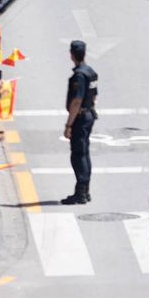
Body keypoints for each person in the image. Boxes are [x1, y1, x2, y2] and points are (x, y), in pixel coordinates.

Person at [62, 39, 98, 205]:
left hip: (81, 117)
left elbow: (77, 100)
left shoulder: (80, 75)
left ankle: (81, 192)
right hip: (89, 114)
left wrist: (69, 124)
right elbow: (94, 95)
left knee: (78, 155)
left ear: (71, 55)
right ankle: (85, 190)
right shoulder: (91, 72)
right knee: (84, 153)